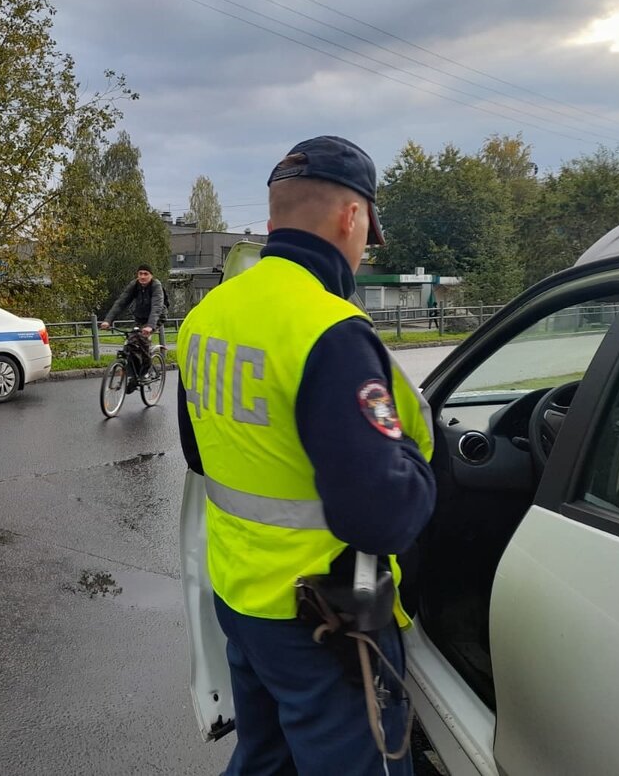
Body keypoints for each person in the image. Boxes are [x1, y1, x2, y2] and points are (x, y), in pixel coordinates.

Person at [176, 135, 436, 776]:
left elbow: (199, 454)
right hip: (325, 618)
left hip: (241, 598)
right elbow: (381, 517)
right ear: (353, 218)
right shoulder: (330, 329)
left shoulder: (209, 314)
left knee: (266, 759)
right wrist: (419, 467)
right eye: (366, 232)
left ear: (273, 218)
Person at [101, 264, 165, 389]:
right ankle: (134, 376)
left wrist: (150, 326)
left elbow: (157, 307)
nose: (142, 276)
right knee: (131, 344)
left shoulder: (156, 286)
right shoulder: (134, 285)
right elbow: (121, 302)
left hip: (156, 317)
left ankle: (145, 371)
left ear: (151, 275)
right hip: (140, 318)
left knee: (142, 339)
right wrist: (108, 320)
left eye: (146, 274)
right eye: (140, 273)